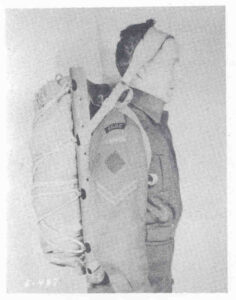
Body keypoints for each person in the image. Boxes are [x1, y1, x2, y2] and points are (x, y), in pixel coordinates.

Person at [115, 19, 183, 292]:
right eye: (171, 64)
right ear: (139, 72)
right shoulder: (124, 129)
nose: (176, 76)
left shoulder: (153, 126)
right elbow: (115, 227)